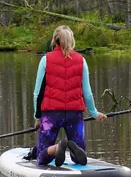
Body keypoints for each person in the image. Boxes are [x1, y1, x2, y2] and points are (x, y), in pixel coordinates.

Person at [34, 25, 106, 167]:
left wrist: (37, 118)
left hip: (51, 114)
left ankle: (56, 148)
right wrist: (94, 113)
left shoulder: (45, 60)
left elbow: (38, 93)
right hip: (75, 114)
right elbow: (87, 92)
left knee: (42, 157)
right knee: (79, 157)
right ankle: (76, 150)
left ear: (55, 42)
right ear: (71, 41)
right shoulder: (81, 60)